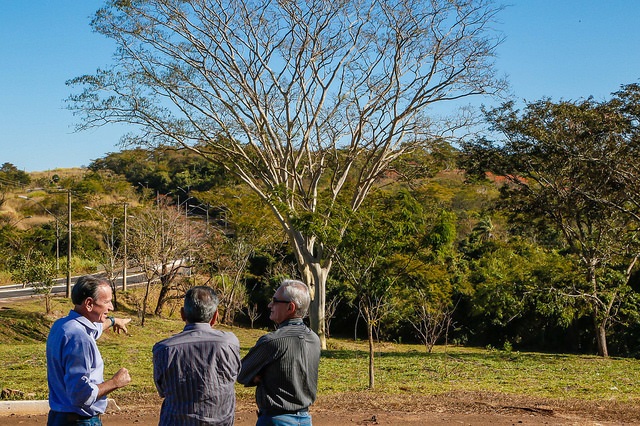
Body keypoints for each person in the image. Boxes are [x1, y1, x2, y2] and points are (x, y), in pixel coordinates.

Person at [46, 275, 132, 426]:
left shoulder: (63, 325)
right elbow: (81, 395)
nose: (111, 307)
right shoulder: (79, 337)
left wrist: (113, 321)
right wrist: (115, 382)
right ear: (89, 304)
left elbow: (94, 330)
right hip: (78, 421)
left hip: (59, 418)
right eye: (106, 302)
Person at [153, 286, 241, 426]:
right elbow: (234, 376)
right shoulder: (230, 343)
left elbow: (163, 390)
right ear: (215, 316)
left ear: (182, 314)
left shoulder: (163, 349)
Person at [238, 279, 321, 426]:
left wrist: (258, 376)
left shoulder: (272, 341)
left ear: (291, 307)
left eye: (275, 301)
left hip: (275, 419)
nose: (270, 305)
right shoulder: (314, 339)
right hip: (305, 419)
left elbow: (241, 372)